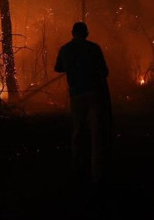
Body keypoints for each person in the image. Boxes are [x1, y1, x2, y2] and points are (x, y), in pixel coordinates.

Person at [54, 21, 113, 188]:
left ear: (73, 33)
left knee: (78, 131)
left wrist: (71, 67)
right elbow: (104, 72)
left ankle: (77, 170)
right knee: (96, 134)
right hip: (94, 94)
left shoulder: (65, 49)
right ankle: (96, 174)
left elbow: (58, 68)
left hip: (76, 95)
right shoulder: (94, 48)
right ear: (86, 33)